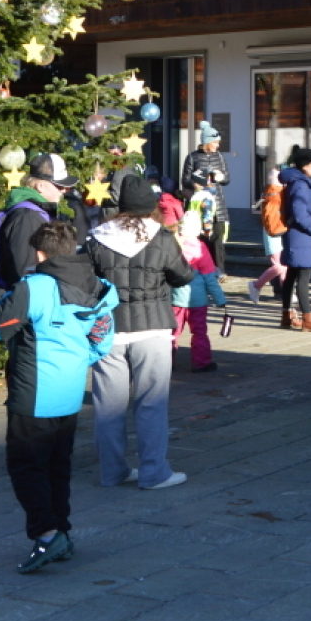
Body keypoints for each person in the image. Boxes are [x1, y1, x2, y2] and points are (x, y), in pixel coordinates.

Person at [0, 220, 120, 573]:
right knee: (57, 466)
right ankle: (61, 531)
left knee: (25, 465)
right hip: (70, 389)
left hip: (34, 390)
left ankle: (47, 535)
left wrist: (10, 296)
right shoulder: (98, 286)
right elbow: (102, 340)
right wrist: (76, 361)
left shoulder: (35, 287)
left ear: (41, 253)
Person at [84, 179, 194, 490]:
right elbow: (183, 275)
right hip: (153, 328)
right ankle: (153, 472)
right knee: (151, 404)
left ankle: (113, 472)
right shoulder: (162, 238)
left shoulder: (97, 238)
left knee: (109, 406)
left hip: (109, 330)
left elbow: (84, 280)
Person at [0, 152, 77, 306]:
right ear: (40, 186)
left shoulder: (36, 213)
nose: (64, 191)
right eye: (60, 186)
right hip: (24, 302)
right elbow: (26, 270)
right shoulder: (26, 217)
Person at [172, 206, 228, 374]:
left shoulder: (174, 246)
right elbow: (211, 279)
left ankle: (166, 361)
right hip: (198, 300)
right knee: (199, 332)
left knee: (172, 331)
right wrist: (220, 299)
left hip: (175, 298)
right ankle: (201, 362)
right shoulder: (200, 248)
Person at [278, 148, 311, 331]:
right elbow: (299, 212)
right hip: (302, 235)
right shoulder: (301, 184)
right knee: (304, 277)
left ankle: (286, 314)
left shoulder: (297, 181)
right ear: (305, 165)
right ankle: (308, 317)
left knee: (292, 275)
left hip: (296, 236)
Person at [180, 122, 230, 271]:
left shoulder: (219, 157)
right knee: (201, 239)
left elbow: (227, 179)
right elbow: (184, 180)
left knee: (218, 241)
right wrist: (194, 185)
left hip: (217, 206)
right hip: (199, 206)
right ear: (206, 142)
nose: (217, 146)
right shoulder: (192, 157)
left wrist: (221, 177)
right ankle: (202, 270)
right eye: (215, 142)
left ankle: (219, 271)